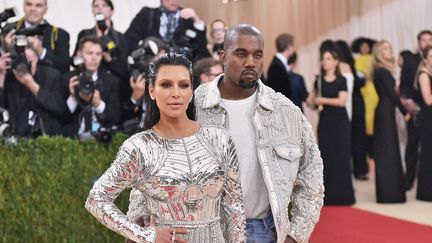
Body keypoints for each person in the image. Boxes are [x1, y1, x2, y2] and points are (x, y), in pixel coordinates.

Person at [85, 53, 247, 243]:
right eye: (166, 84)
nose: (176, 93)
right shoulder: (139, 147)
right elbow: (96, 199)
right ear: (152, 91)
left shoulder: (220, 139)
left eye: (183, 85)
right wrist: (146, 235)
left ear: (191, 91)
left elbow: (234, 207)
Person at [307, 49, 355, 206]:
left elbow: (342, 101)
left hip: (340, 123)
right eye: (323, 59)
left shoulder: (341, 80)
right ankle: (328, 197)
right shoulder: (318, 80)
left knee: (341, 157)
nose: (325, 61)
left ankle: (344, 196)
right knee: (326, 158)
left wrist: (323, 100)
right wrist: (312, 100)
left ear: (336, 62)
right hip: (326, 122)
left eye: (328, 58)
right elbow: (311, 101)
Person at [372, 40, 410, 203]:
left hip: (385, 112)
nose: (389, 51)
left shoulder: (382, 71)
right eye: (385, 48)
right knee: (387, 151)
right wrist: (404, 111)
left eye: (390, 47)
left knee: (389, 150)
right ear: (379, 53)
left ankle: (390, 193)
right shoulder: (382, 71)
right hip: (385, 113)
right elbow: (392, 95)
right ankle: (389, 194)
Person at [60, 35, 120, 139]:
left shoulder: (111, 81)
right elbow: (60, 116)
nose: (94, 58)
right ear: (79, 54)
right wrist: (73, 98)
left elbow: (115, 118)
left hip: (101, 139)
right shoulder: (68, 79)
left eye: (98, 54)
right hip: (72, 139)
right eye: (89, 53)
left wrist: (98, 104)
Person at [0, 45, 64, 137]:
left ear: (36, 58)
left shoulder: (51, 76)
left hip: (44, 137)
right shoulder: (10, 78)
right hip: (14, 137)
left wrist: (31, 85)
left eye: (28, 60)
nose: (25, 64)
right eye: (21, 60)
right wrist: (1, 75)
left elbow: (59, 108)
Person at [124, 0, 210, 61]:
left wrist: (197, 19)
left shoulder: (186, 16)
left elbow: (201, 45)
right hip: (154, 64)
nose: (174, 1)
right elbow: (129, 40)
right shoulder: (147, 14)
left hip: (183, 64)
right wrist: (150, 53)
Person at [400, 30, 432, 191]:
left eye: (429, 39)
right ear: (418, 42)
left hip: (429, 111)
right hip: (415, 109)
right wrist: (409, 107)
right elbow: (404, 86)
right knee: (412, 145)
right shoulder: (411, 60)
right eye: (423, 39)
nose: (427, 42)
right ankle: (409, 180)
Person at [2, 0, 70, 73]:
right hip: (13, 80)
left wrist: (41, 52)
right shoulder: (9, 29)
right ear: (23, 6)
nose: (33, 9)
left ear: (46, 9)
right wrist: (7, 49)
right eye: (29, 4)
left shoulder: (59, 34)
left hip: (45, 82)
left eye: (38, 5)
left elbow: (64, 68)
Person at [72, 0, 129, 84]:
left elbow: (123, 69)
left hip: (112, 84)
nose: (99, 8)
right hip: (87, 80)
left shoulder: (120, 38)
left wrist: (109, 60)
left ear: (111, 11)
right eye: (96, 6)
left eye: (104, 5)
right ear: (92, 11)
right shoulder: (84, 34)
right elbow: (74, 61)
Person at [336, 40, 369, 180]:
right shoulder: (350, 65)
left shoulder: (339, 67)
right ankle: (360, 169)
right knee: (359, 138)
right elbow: (357, 83)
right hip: (357, 104)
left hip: (348, 105)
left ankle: (347, 169)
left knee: (347, 137)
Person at [353, 37, 377, 161]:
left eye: (367, 46)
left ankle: (373, 152)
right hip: (363, 90)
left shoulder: (373, 59)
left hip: (373, 90)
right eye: (362, 46)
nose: (365, 48)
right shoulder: (357, 60)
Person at [415, 46, 432, 202]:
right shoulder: (424, 75)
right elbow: (428, 100)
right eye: (431, 56)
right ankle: (426, 192)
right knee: (428, 154)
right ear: (425, 59)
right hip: (428, 118)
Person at [267, 33, 294, 100]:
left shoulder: (281, 64)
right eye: (293, 46)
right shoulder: (276, 66)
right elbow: (277, 91)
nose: (294, 49)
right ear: (288, 47)